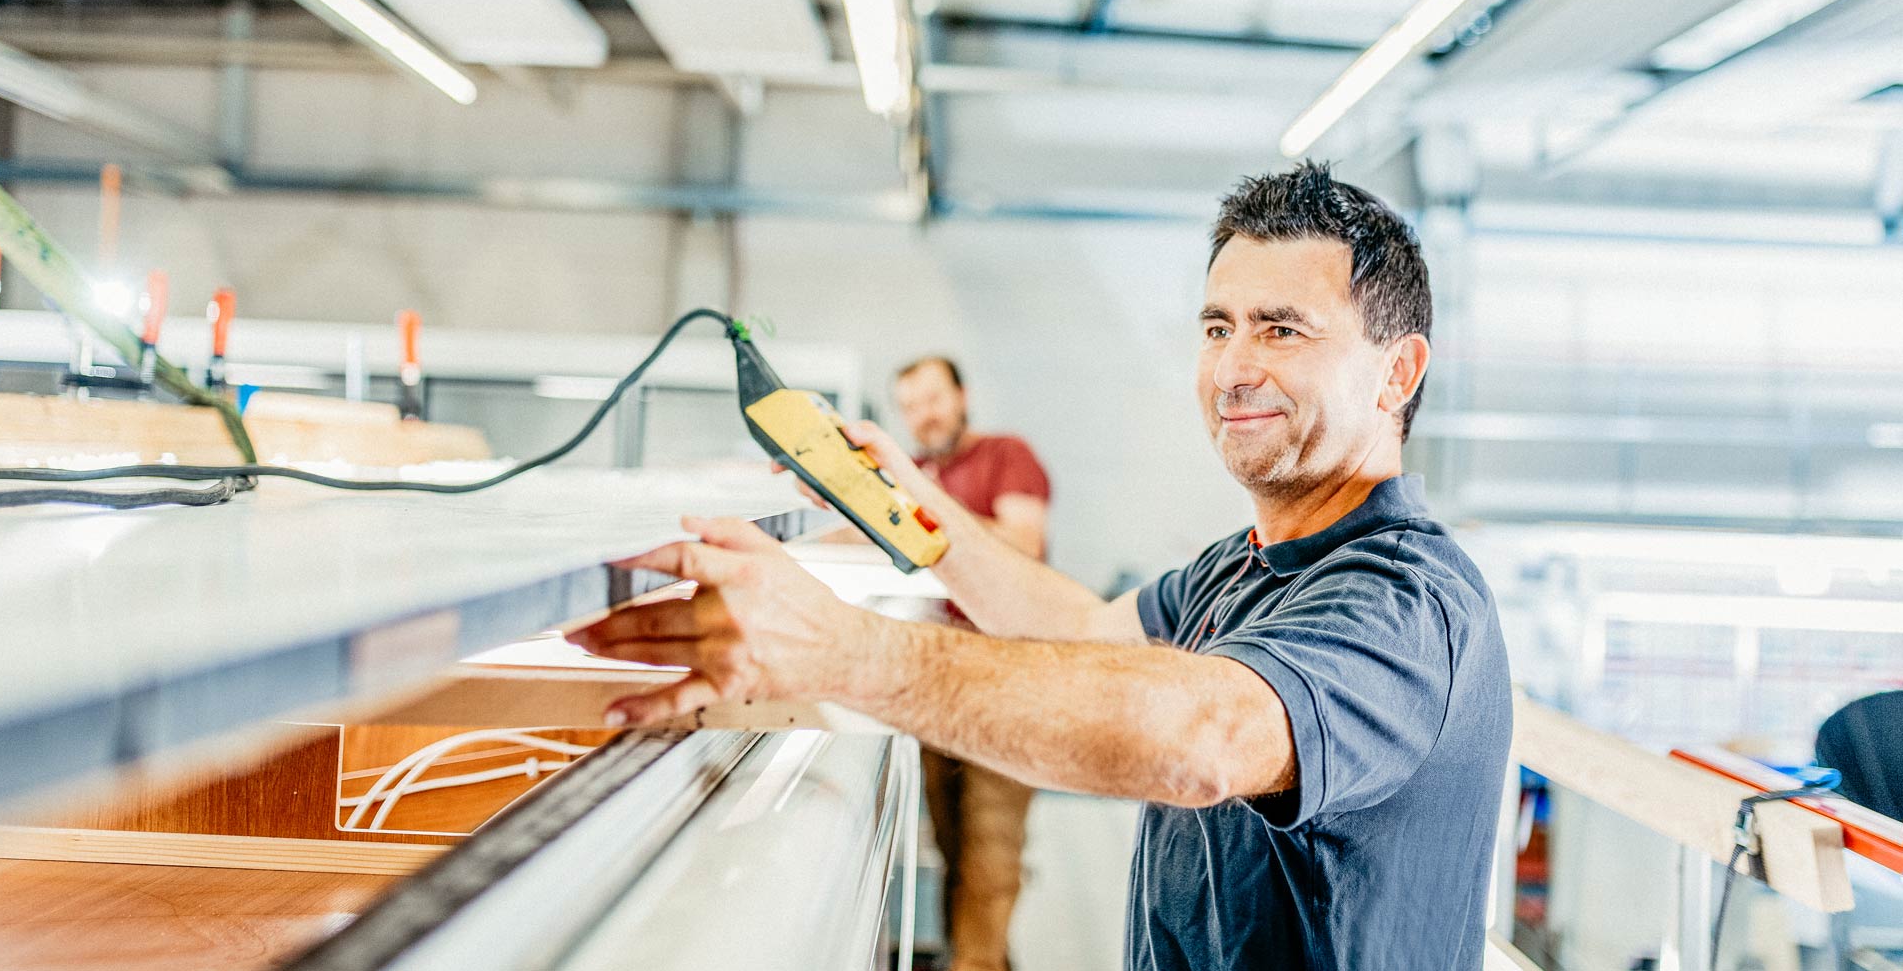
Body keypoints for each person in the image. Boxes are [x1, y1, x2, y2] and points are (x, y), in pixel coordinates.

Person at [573, 162, 1513, 970]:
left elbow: (1204, 736)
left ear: (1398, 372)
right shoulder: (1247, 565)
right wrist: (912, 506)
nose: (1231, 366)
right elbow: (1080, 626)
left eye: (1282, 329)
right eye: (1217, 325)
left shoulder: (1407, 598)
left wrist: (840, 651)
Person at [893, 354, 1052, 971]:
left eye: (933, 398)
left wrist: (922, 508)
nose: (923, 415)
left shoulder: (1007, 455)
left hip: (1010, 682)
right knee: (955, 856)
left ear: (962, 395)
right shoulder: (922, 473)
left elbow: (1023, 540)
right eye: (909, 406)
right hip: (939, 681)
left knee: (990, 862)